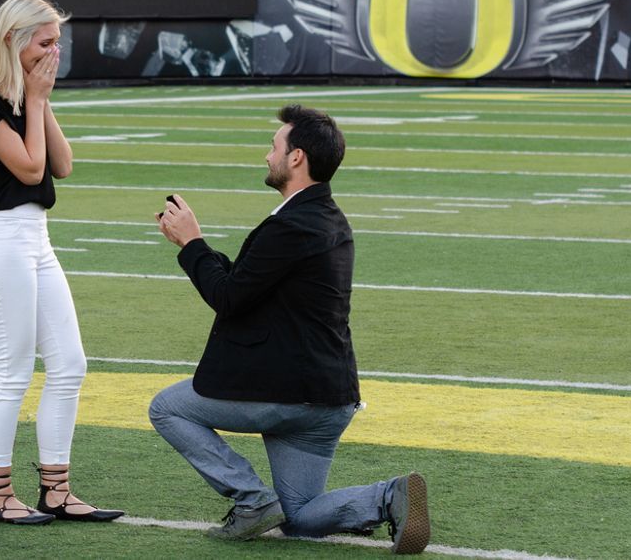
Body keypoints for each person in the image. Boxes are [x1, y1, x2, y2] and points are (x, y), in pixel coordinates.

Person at [150, 105, 430, 553]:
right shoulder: (327, 218)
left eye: (274, 146)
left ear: (296, 157)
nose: (267, 156)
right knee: (299, 517)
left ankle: (251, 500)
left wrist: (192, 243)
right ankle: (386, 496)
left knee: (167, 408)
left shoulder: (291, 224)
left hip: (285, 392)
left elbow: (229, 298)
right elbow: (247, 287)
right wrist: (197, 243)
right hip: (330, 397)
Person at [0, 0, 122, 526]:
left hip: (33, 238)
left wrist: (39, 97)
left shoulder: (27, 93)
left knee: (69, 364)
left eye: (57, 42)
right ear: (13, 40)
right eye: (45, 42)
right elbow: (28, 170)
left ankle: (56, 490)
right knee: (13, 370)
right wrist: (37, 101)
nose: (54, 52)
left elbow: (62, 165)